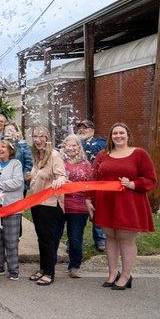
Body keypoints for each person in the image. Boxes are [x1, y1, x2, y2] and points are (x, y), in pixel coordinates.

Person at [89, 123, 157, 290]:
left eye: (121, 133)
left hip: (129, 203)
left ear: (128, 135)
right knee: (110, 237)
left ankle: (126, 275)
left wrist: (133, 184)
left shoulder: (139, 154)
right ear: (110, 137)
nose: (118, 136)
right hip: (106, 202)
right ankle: (112, 273)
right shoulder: (103, 155)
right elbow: (94, 178)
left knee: (126, 239)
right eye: (114, 133)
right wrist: (89, 199)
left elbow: (151, 179)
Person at [27, 126, 67, 286]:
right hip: (36, 203)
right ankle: (43, 268)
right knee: (41, 238)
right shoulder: (38, 155)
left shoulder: (55, 155)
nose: (38, 139)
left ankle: (49, 272)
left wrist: (59, 180)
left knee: (48, 239)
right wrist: (30, 177)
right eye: (35, 136)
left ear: (47, 137)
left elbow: (62, 175)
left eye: (41, 136)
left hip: (50, 204)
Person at [56, 135, 92, 278]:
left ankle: (75, 266)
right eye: (67, 145)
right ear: (63, 147)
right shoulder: (58, 162)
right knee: (54, 236)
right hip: (59, 205)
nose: (70, 148)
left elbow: (90, 186)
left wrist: (72, 186)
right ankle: (48, 265)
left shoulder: (86, 164)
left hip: (79, 207)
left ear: (79, 147)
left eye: (74, 145)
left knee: (75, 238)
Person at [0, 139, 24, 281]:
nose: (0, 149)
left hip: (12, 207)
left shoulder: (15, 164)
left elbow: (18, 182)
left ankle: (13, 269)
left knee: (11, 240)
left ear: (10, 150)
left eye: (3, 146)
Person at [76, 119, 108, 252]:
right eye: (80, 128)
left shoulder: (100, 142)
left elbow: (95, 149)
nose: (82, 130)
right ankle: (76, 239)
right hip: (79, 181)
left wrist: (80, 142)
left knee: (97, 208)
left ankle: (100, 239)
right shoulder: (76, 142)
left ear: (93, 130)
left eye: (85, 128)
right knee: (78, 211)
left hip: (96, 181)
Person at [3, 123, 33, 195]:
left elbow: (29, 162)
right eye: (6, 130)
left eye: (11, 130)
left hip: (19, 183)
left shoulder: (22, 145)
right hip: (4, 182)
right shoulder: (1, 145)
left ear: (17, 132)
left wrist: (22, 178)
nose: (9, 132)